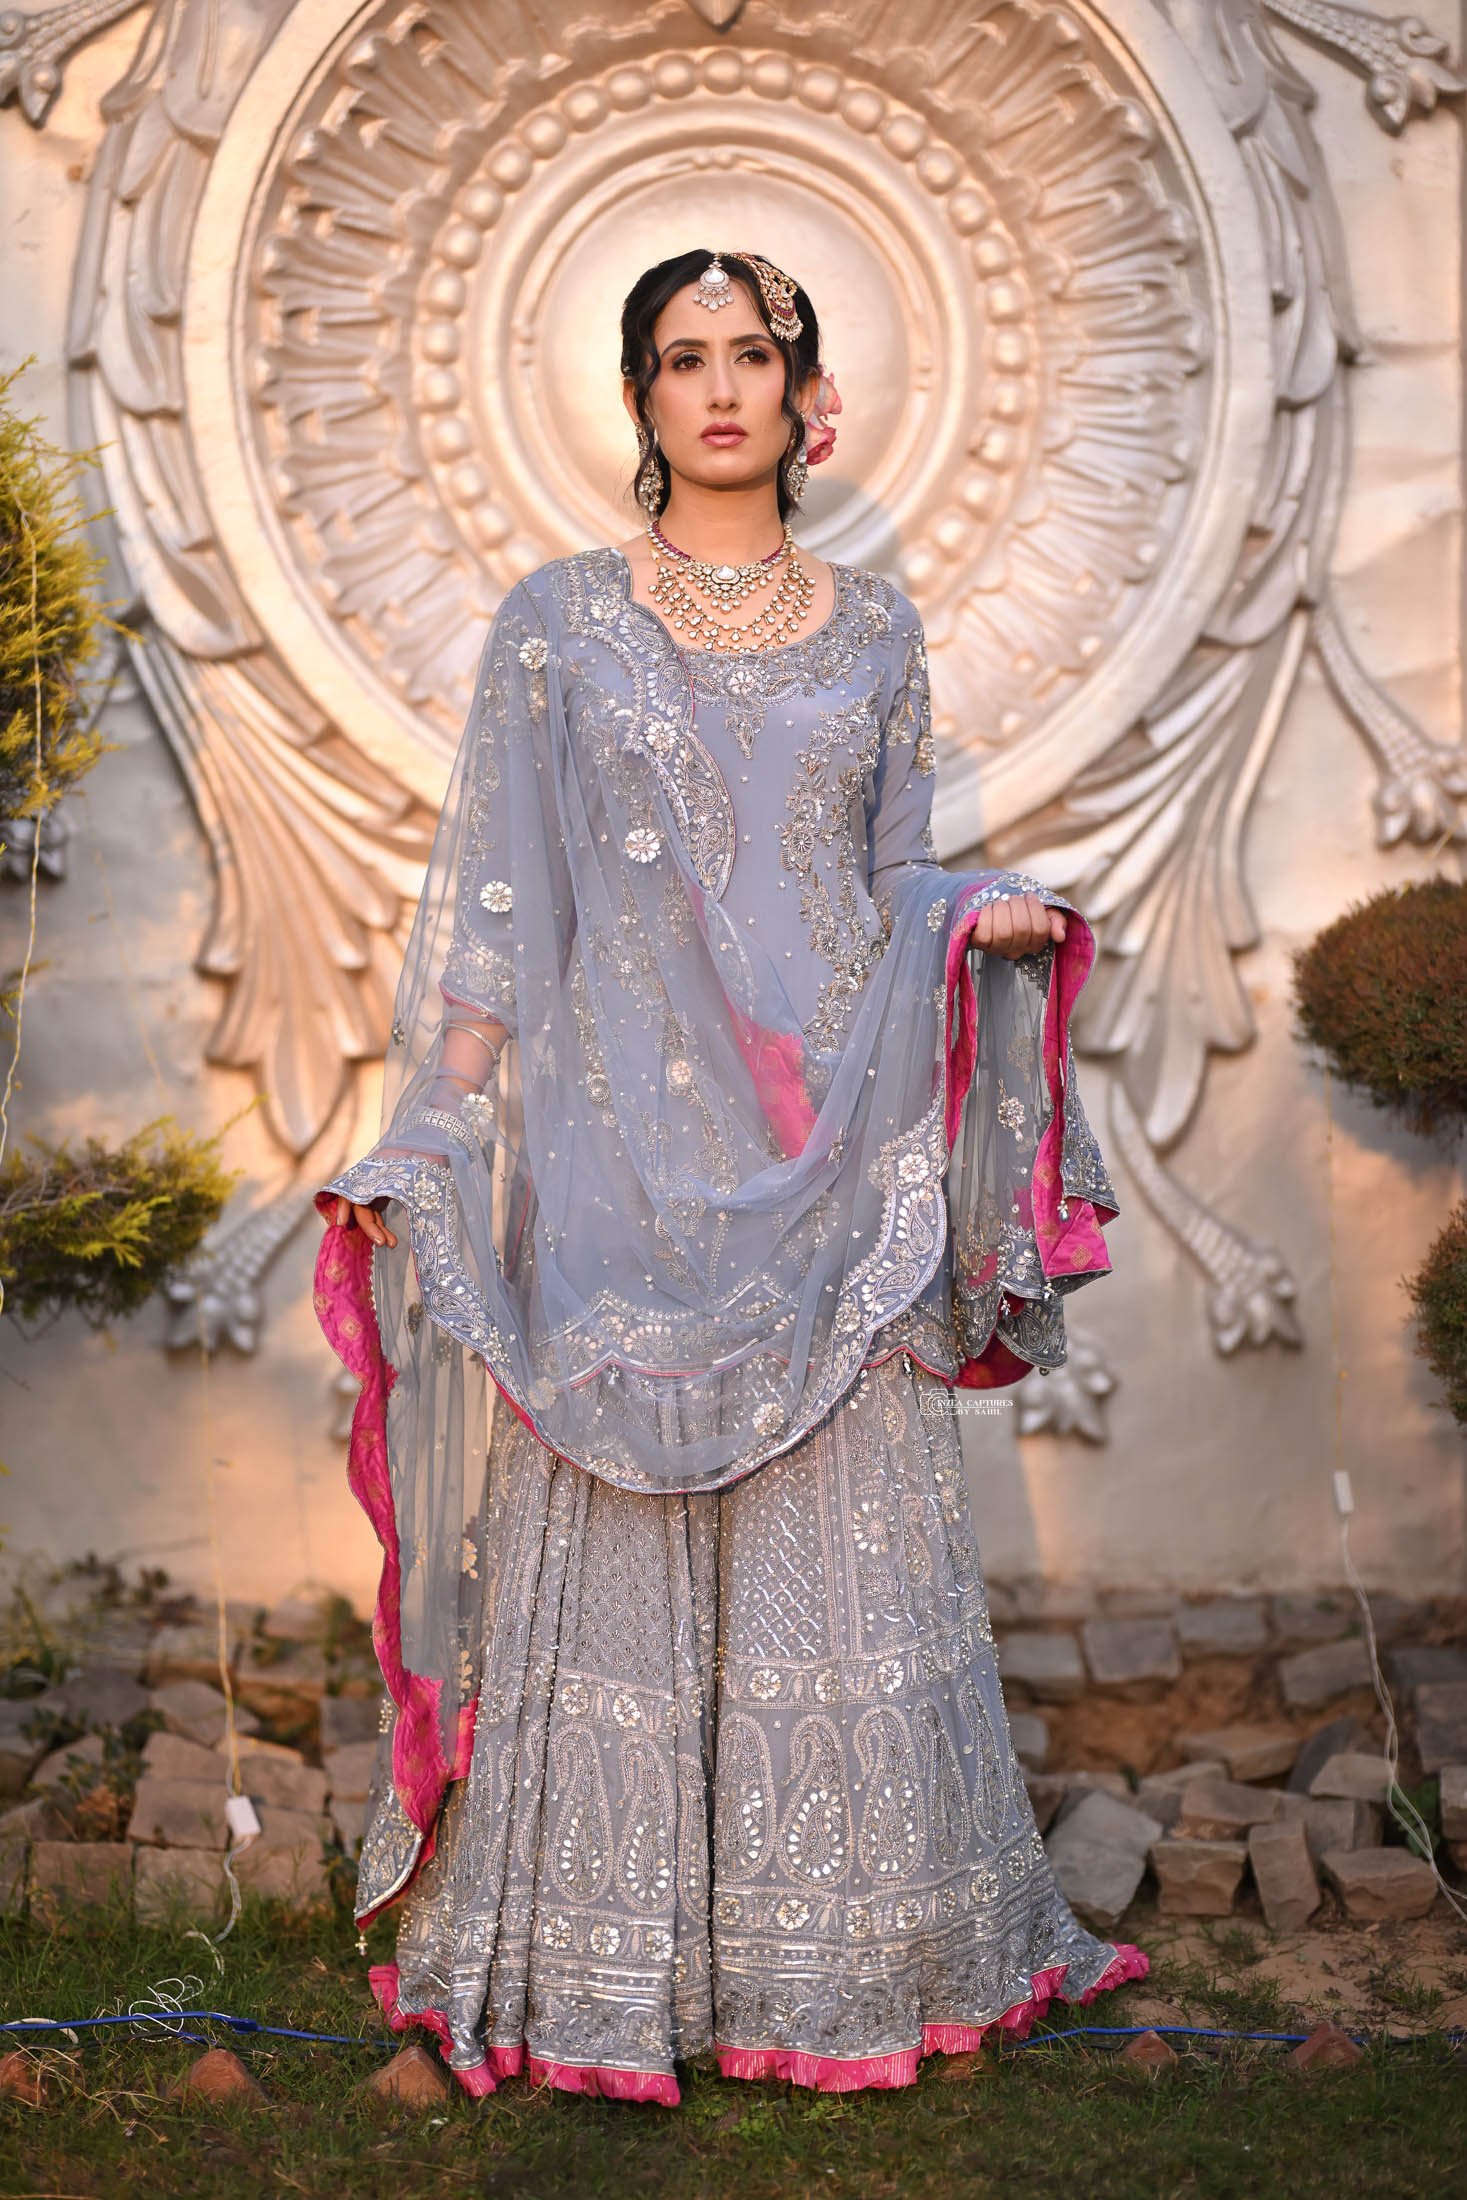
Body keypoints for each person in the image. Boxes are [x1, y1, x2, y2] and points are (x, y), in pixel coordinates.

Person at [312, 247, 1146, 2105]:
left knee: (827, 1576)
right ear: (639, 398)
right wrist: (430, 1130)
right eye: (681, 359)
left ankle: (846, 1963)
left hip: (831, 1176)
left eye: (751, 356)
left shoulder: (875, 633)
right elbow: (500, 935)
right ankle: (601, 1974)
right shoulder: (557, 625)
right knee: (612, 1559)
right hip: (619, 1188)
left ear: (802, 391)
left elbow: (879, 888)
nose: (718, 389)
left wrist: (973, 927)